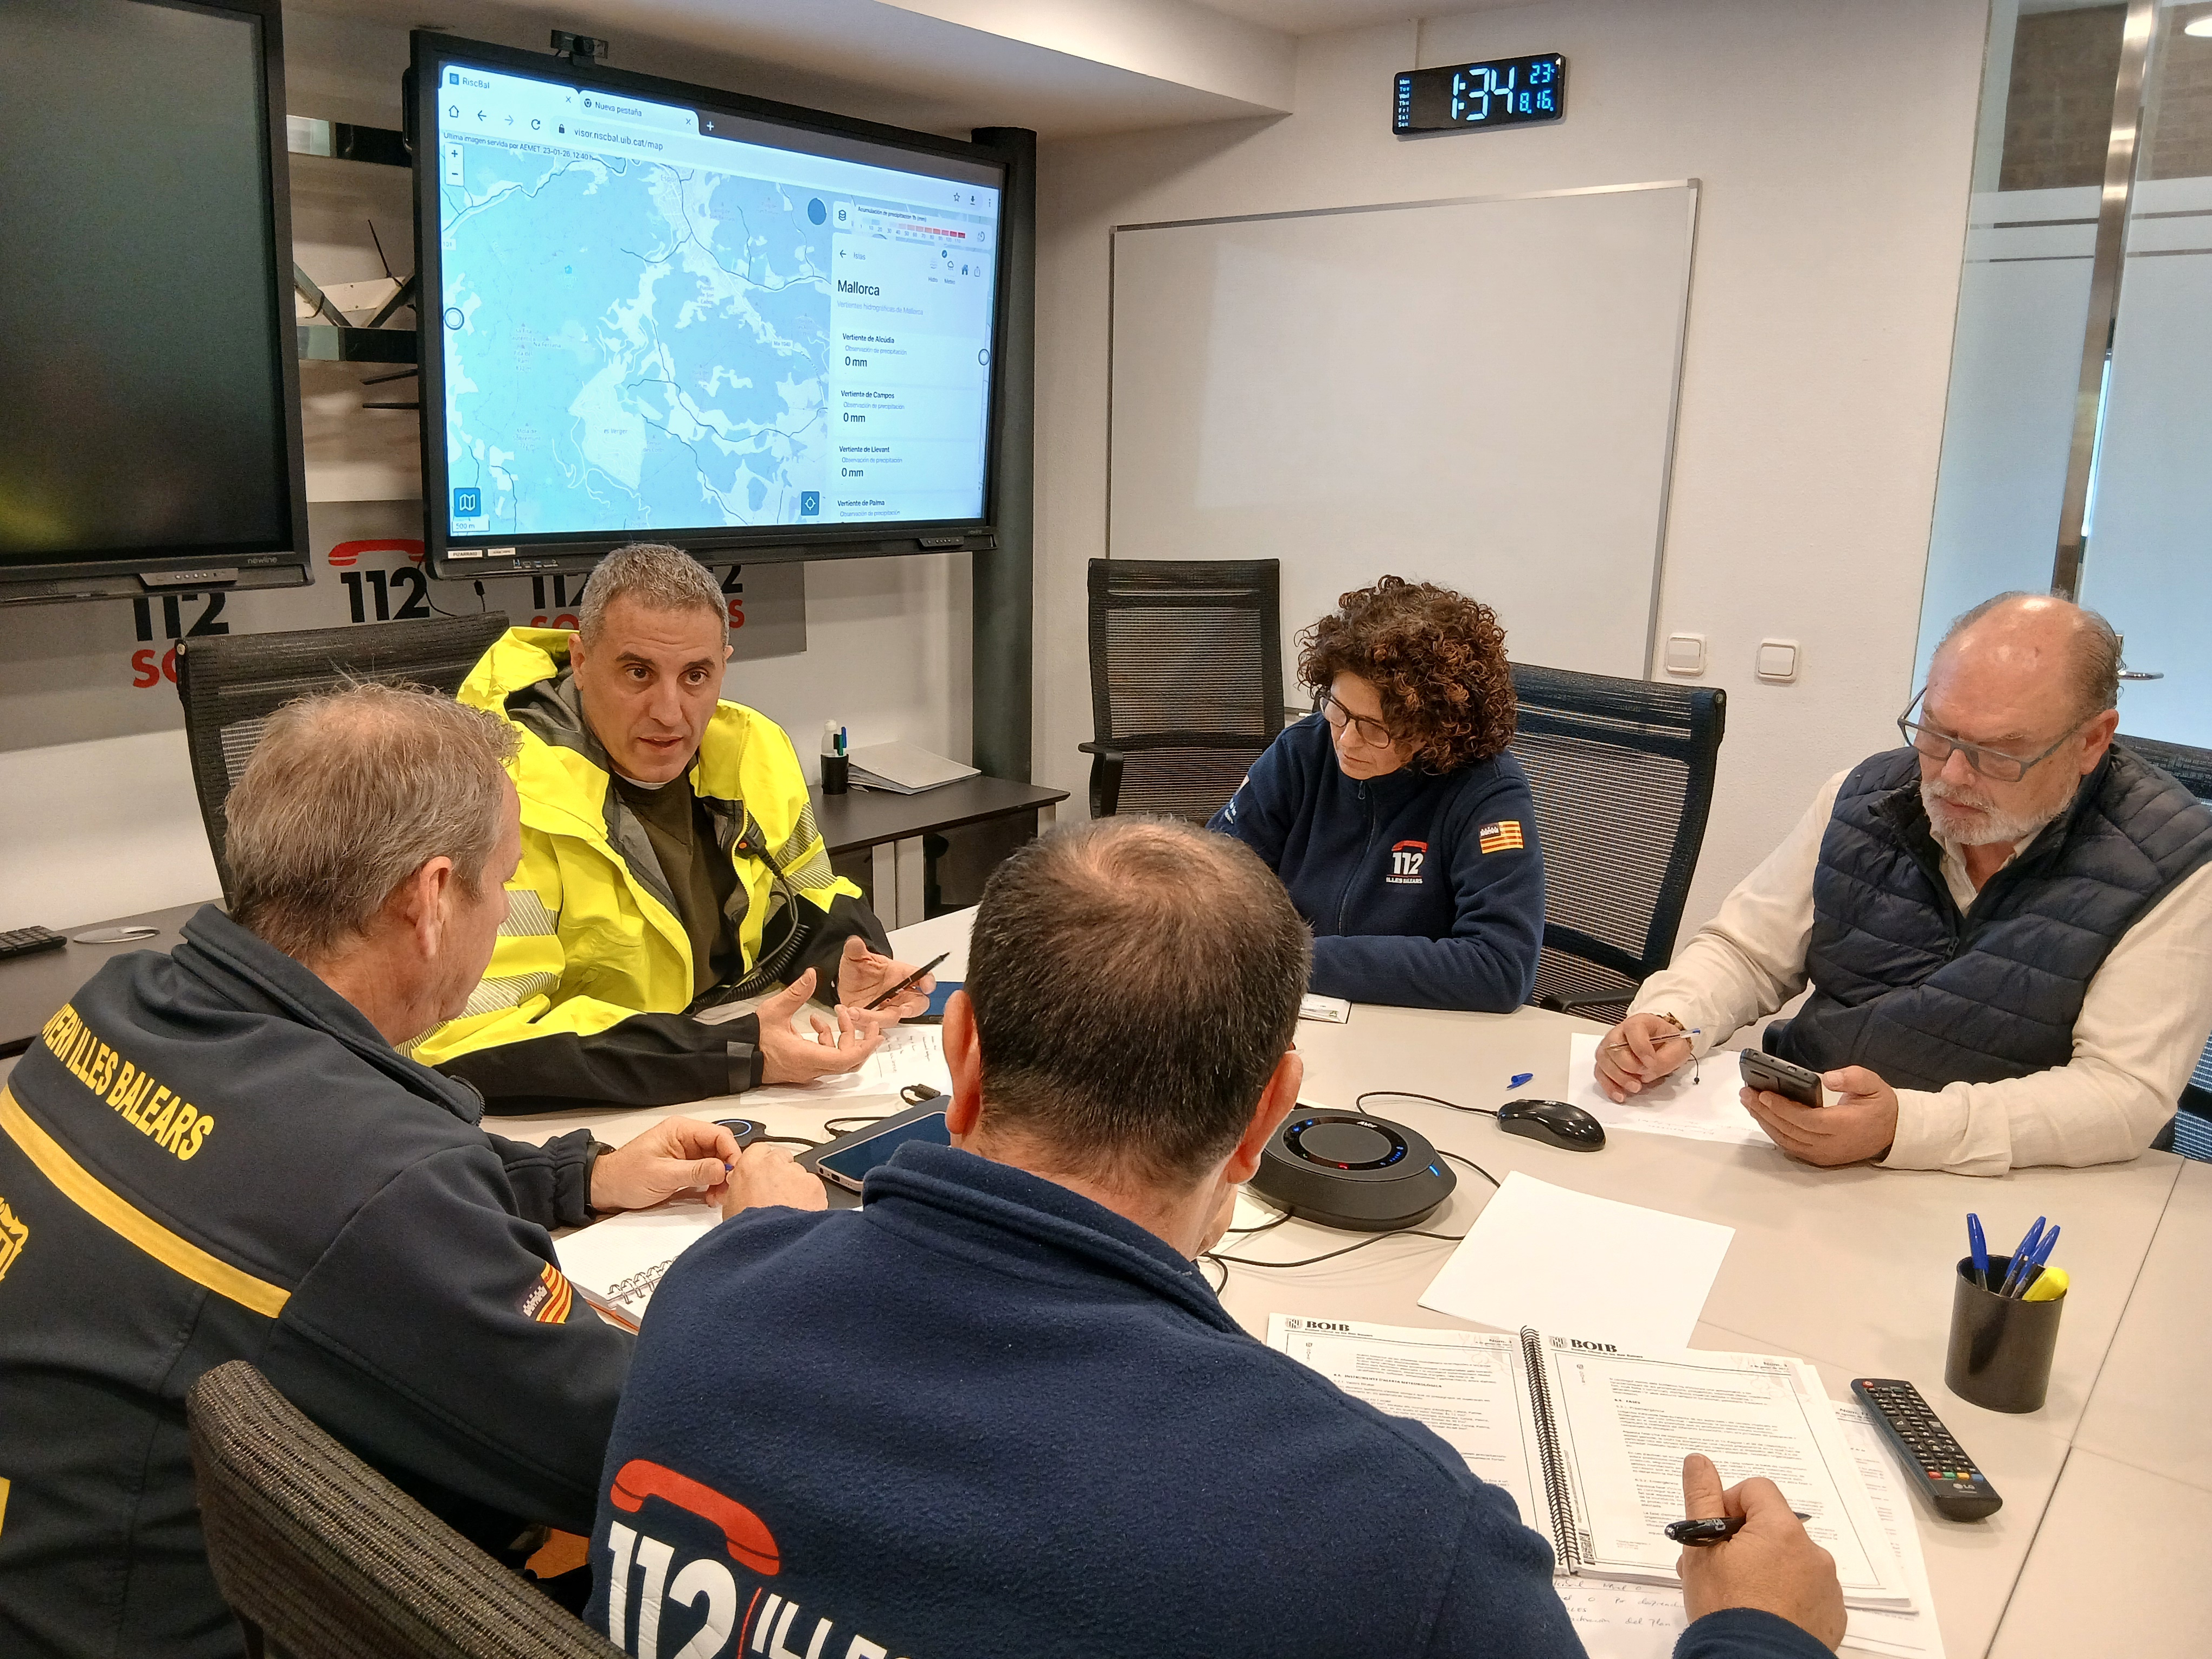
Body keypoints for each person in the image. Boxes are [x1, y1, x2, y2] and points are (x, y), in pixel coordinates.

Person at [582, 818, 1843, 1659]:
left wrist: (775, 1243)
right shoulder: (1398, 1546)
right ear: (1265, 1120)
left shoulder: (706, 1304)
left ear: (959, 1061)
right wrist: (1761, 1636)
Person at [0, 684, 820, 1659]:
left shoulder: (120, 1005)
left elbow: (279, 1182)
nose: (504, 914)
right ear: (431, 900)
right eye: (502, 884)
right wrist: (770, 1249)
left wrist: (578, 1174)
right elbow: (645, 1446)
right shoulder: (380, 1187)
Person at [1599, 593, 2212, 1176]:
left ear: (2092, 741)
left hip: (2015, 1194)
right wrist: (1673, 1018)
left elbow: (2122, 1095)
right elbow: (1747, 953)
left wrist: (1907, 1128)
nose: (1950, 775)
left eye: (1999, 753)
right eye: (1937, 733)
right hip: (1803, 1153)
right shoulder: (1865, 795)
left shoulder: (2173, 860)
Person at [409, 542, 935, 1111]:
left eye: (696, 676)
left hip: (717, 1069)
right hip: (581, 1114)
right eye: (638, 672)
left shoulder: (753, 748)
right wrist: (731, 1054)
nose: (669, 711)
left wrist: (845, 970)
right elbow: (464, 1036)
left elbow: (812, 893)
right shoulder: (497, 796)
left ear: (723, 666)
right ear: (581, 662)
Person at [1209, 575, 1543, 1011]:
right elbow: (1211, 881)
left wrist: (1295, 960)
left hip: (1418, 1030)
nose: (1346, 741)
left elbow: (1500, 967)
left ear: (1435, 729)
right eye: (1339, 712)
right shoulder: (1303, 753)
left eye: (1375, 728)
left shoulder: (1486, 791)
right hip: (1296, 1013)